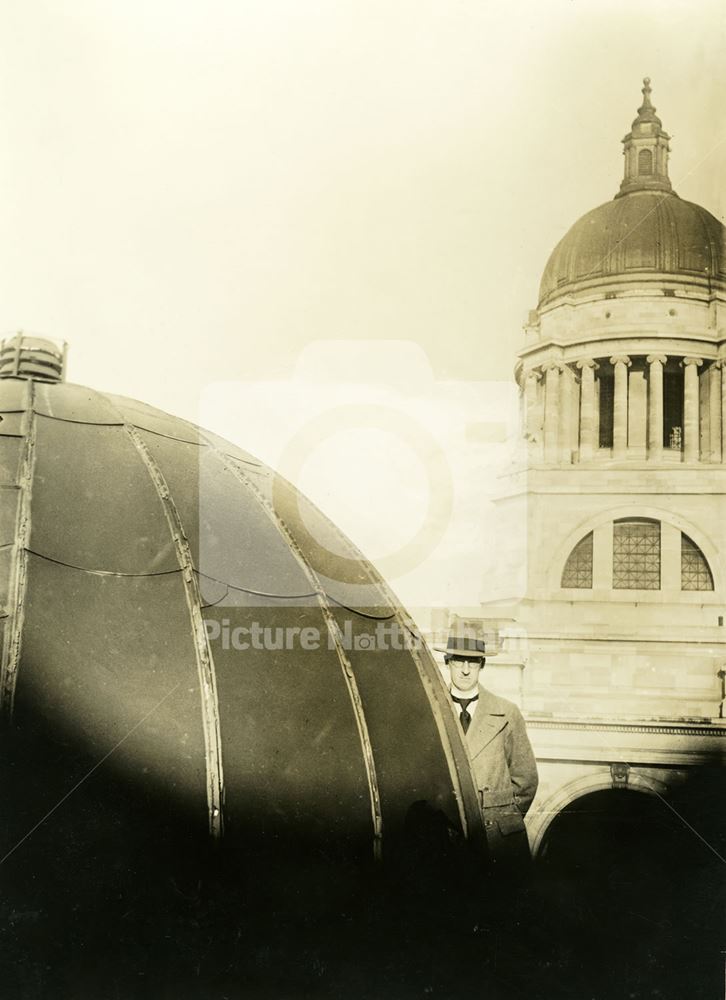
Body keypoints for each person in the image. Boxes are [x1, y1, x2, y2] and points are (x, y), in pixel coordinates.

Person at [436, 628, 538, 873]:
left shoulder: (507, 713)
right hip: (443, 842)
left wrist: (501, 820)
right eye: (458, 660)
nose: (465, 669)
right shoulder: (433, 712)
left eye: (472, 661)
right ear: (447, 662)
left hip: (496, 844)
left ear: (482, 665)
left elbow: (526, 781)